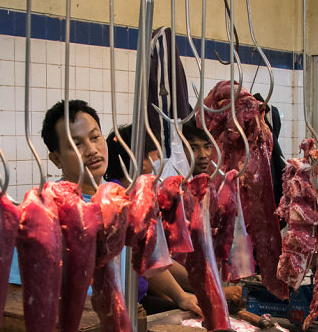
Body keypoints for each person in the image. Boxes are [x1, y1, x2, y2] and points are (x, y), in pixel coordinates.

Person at [36, 99, 201, 316]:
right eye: (77, 144)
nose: (92, 150)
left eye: (95, 138)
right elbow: (20, 290)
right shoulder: (45, 209)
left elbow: (145, 257)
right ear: (56, 159)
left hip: (124, 316)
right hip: (78, 324)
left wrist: (181, 296)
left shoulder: (120, 197)